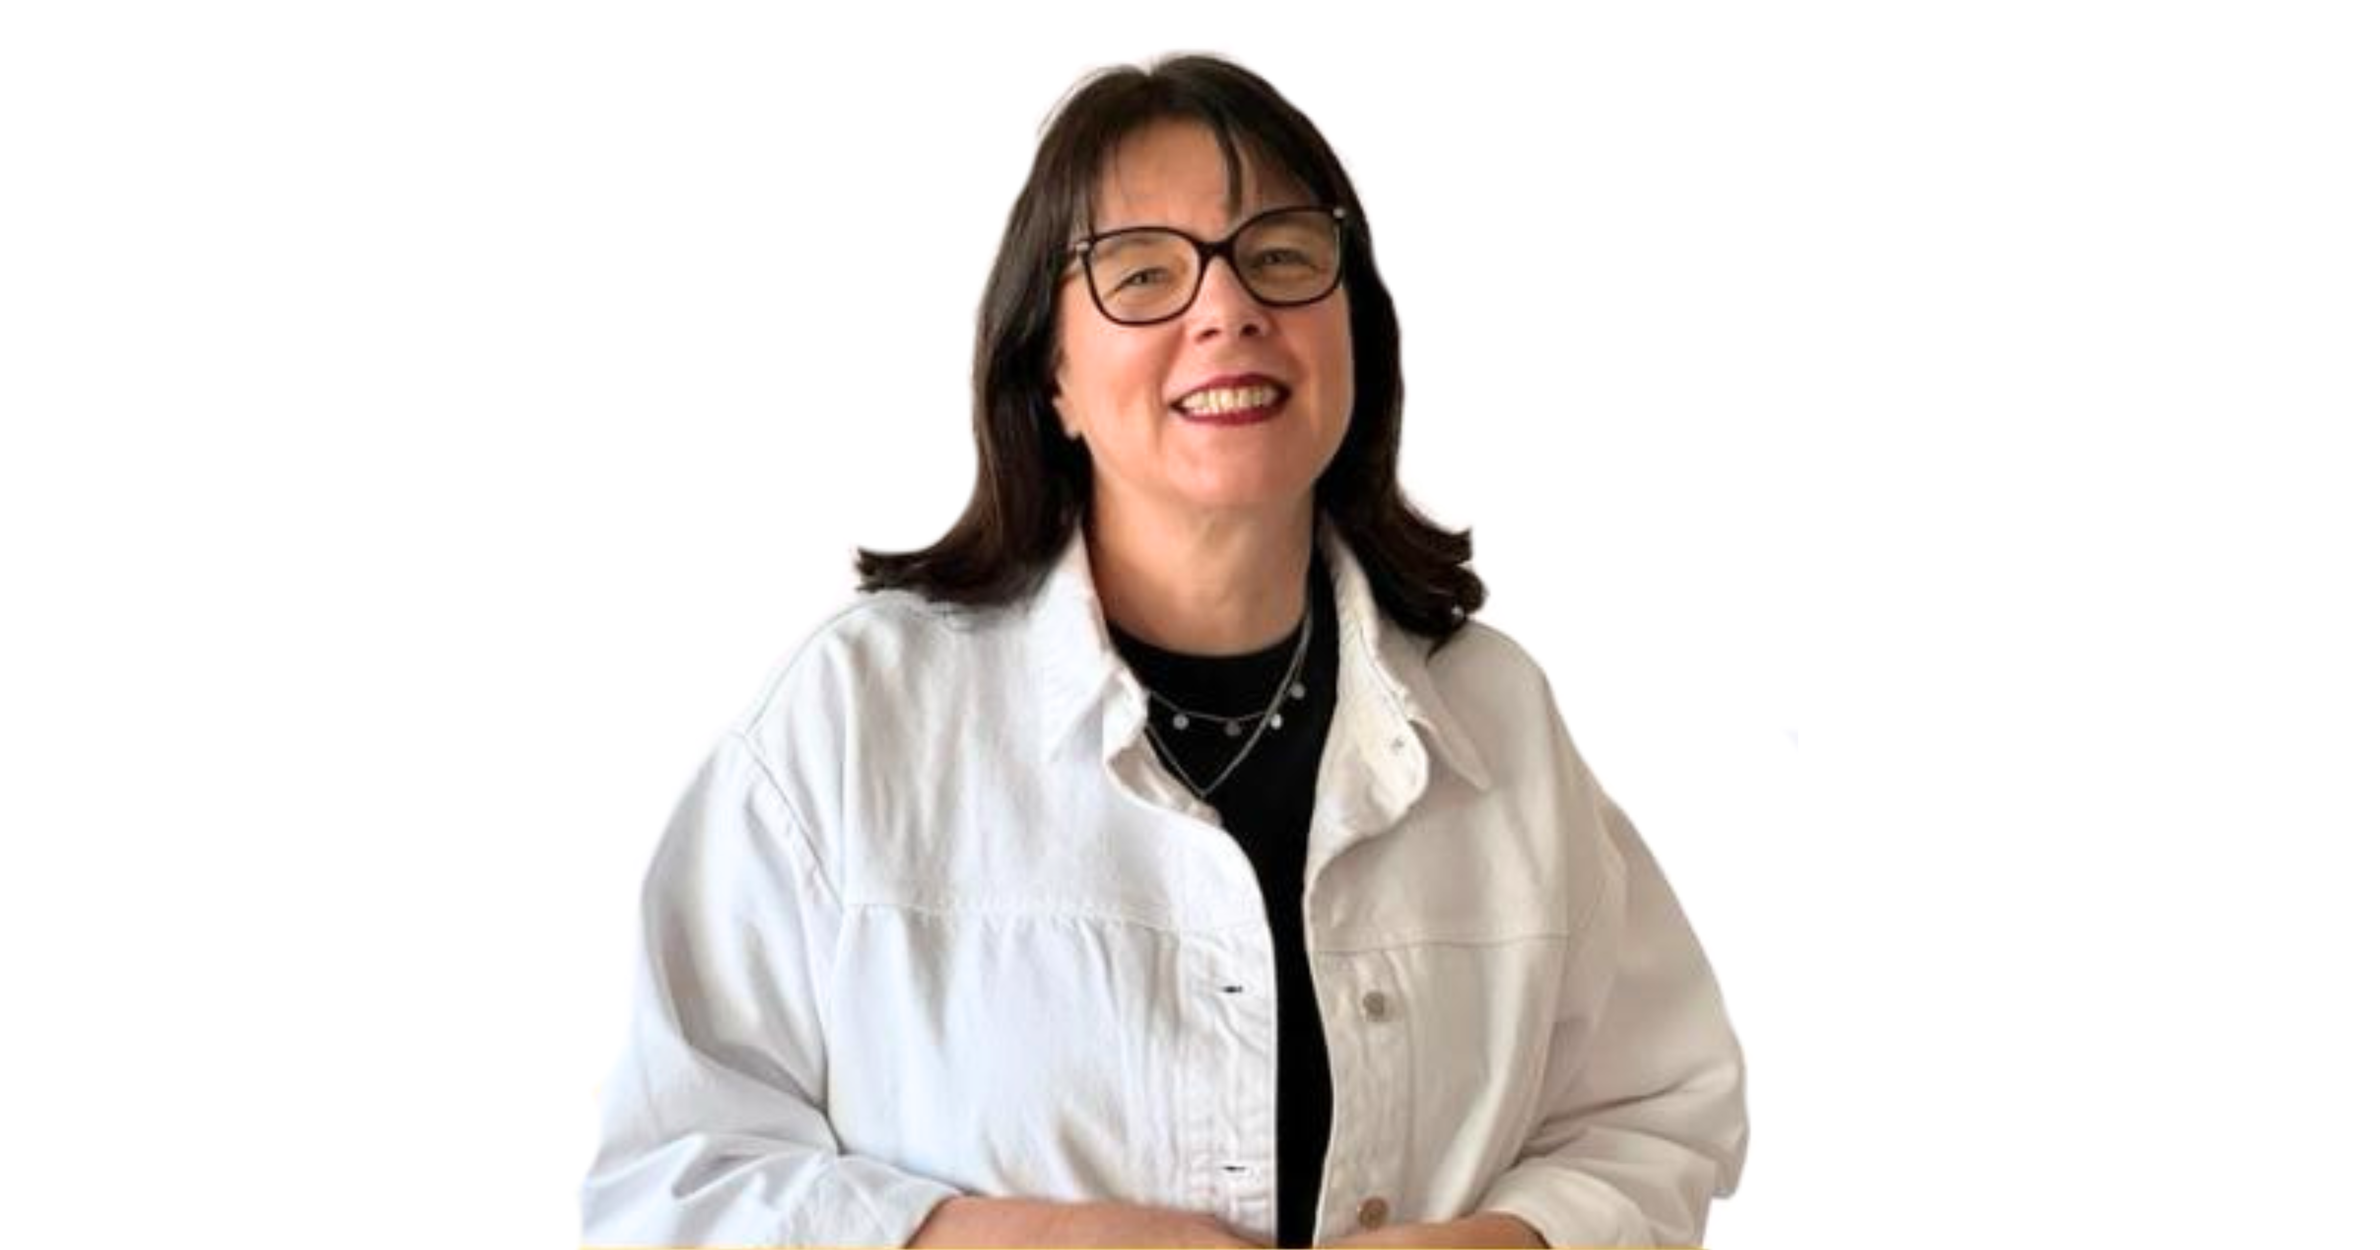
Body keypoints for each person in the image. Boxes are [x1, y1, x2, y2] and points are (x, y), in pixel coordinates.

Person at [581, 53, 1747, 1248]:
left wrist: (1510, 1241)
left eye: (1280, 256)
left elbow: (1654, 1111)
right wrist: (1040, 1242)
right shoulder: (857, 718)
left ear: (1353, 328)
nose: (1227, 308)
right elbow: (673, 1179)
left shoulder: (1493, 714)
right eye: (1143, 272)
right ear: (1051, 375)